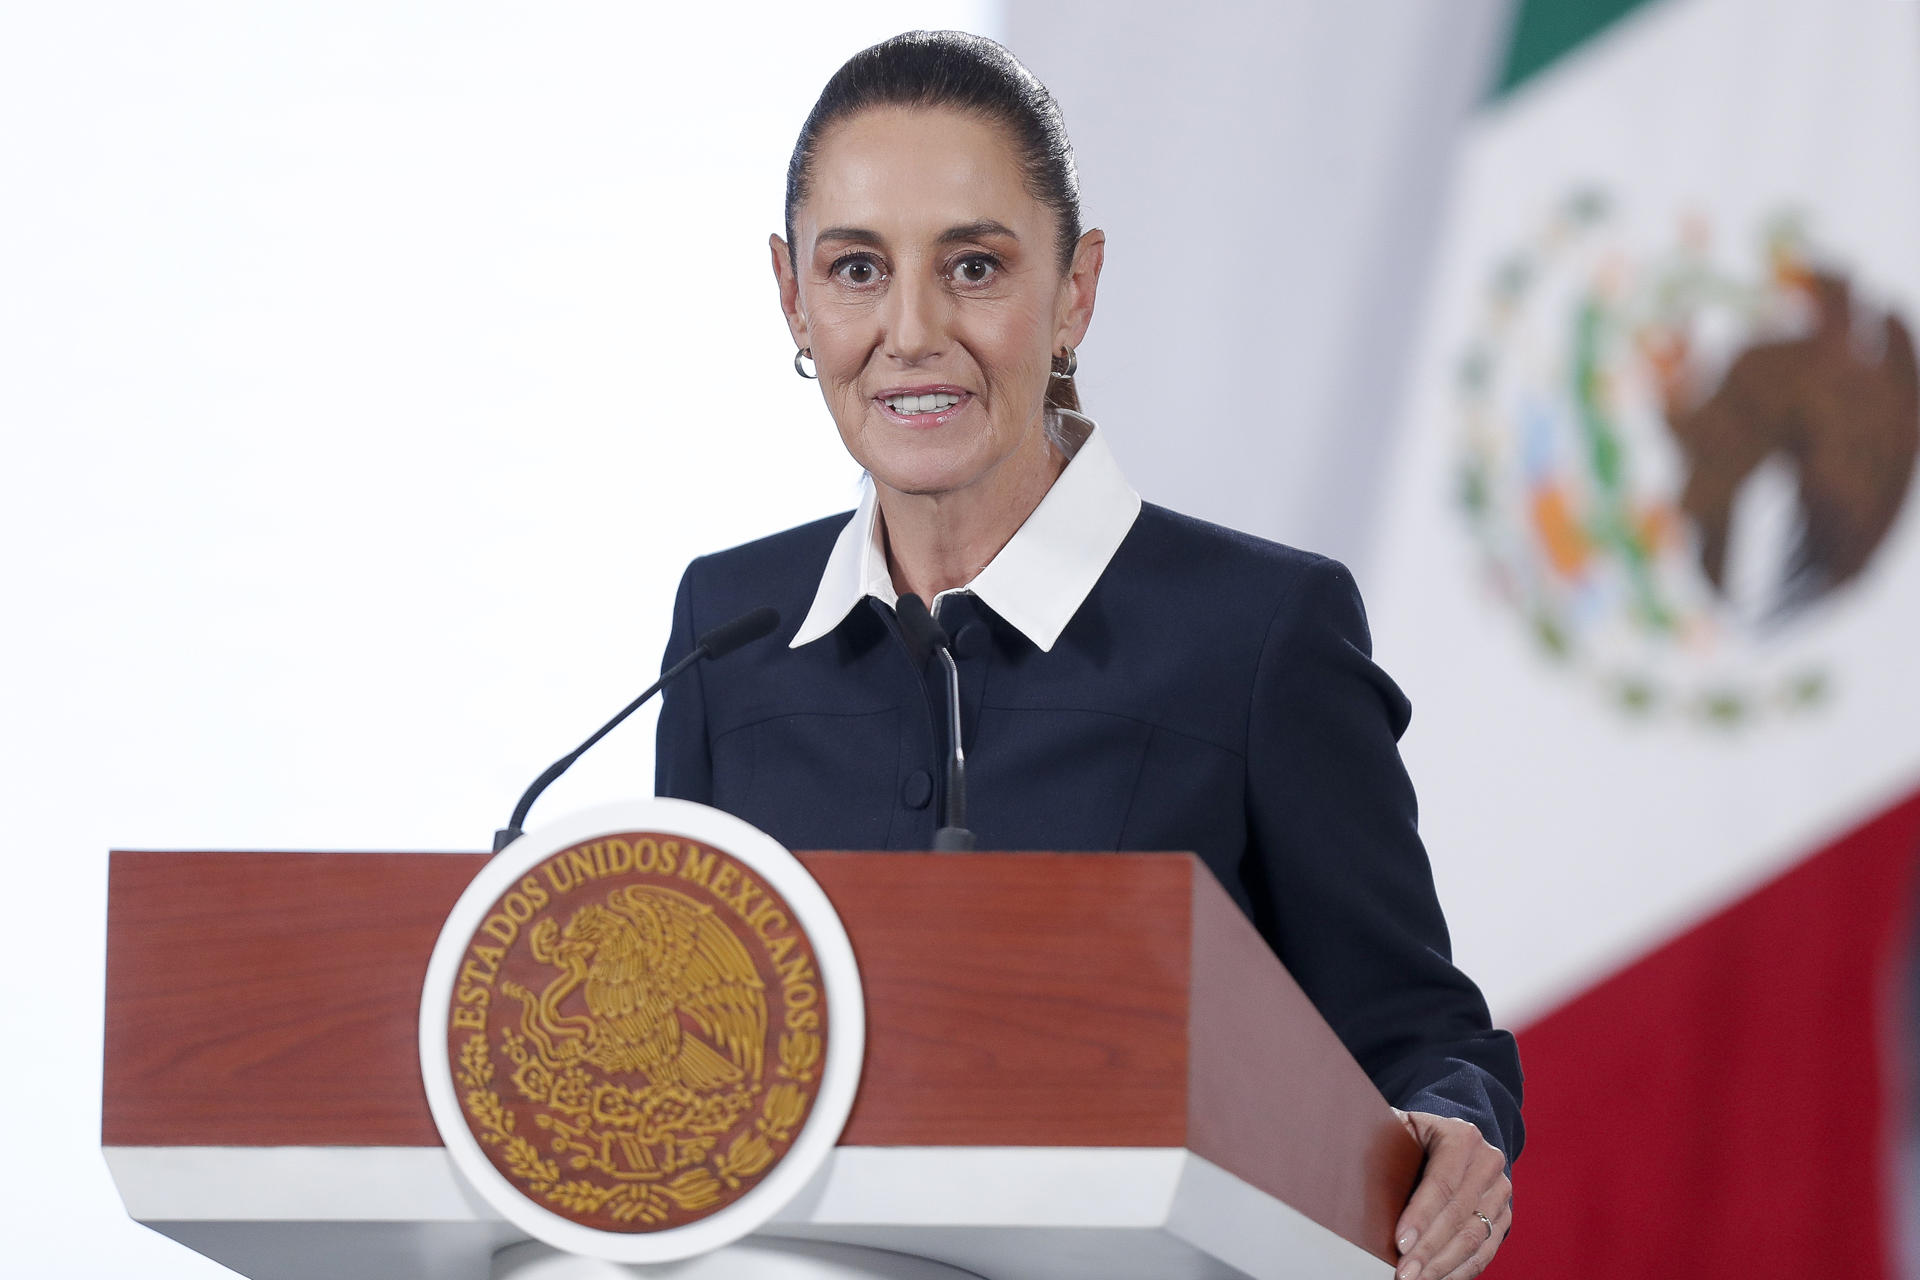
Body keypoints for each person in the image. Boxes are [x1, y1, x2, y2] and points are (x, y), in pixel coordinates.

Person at [656, 30, 1521, 1280]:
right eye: (856, 268)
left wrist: (1454, 1132)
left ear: (1075, 290)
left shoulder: (1264, 633)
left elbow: (1419, 1039)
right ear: (792, 295)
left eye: (974, 266)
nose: (911, 331)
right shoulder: (723, 628)